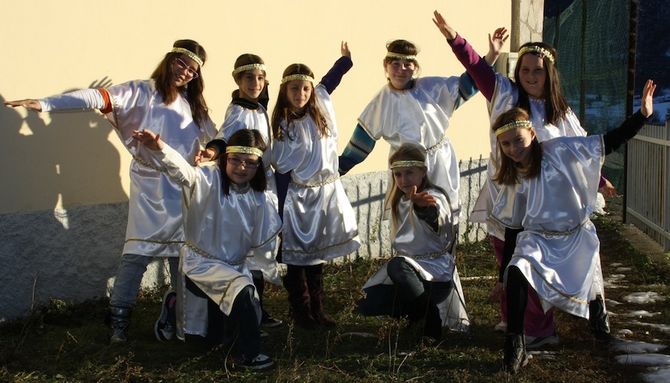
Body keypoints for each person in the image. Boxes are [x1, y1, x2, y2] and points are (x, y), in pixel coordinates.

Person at [4, 39, 217, 343]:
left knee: (181, 259)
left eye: (193, 70)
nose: (185, 72)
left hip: (183, 187)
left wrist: (211, 152)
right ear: (170, 60)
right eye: (182, 63)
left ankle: (179, 319)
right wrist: (46, 103)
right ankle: (119, 322)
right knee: (135, 254)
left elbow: (217, 138)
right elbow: (96, 97)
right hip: (149, 187)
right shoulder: (140, 91)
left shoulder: (193, 105)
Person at [432, 10, 617, 346]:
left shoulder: (561, 112)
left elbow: (581, 149)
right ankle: (512, 319)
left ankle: (540, 331)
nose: (531, 75)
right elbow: (478, 68)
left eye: (538, 70)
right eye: (526, 69)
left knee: (535, 265)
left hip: (550, 205)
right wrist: (454, 39)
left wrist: (599, 178)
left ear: (549, 74)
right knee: (508, 258)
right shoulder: (505, 94)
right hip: (509, 195)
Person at [480, 79, 655, 373]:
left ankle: (601, 331)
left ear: (532, 133)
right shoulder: (513, 175)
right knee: (516, 271)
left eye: (518, 140)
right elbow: (513, 228)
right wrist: (502, 277)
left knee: (592, 285)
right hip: (538, 238)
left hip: (574, 235)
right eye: (506, 144)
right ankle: (515, 349)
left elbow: (608, 141)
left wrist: (642, 116)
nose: (512, 148)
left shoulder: (561, 149)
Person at [133, 128, 281, 370]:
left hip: (234, 267)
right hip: (202, 263)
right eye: (235, 160)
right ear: (225, 158)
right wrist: (159, 147)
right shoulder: (205, 179)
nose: (242, 168)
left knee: (218, 334)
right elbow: (180, 171)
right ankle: (249, 356)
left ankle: (176, 306)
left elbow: (262, 238)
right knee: (242, 293)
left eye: (250, 163)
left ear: (258, 166)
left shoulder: (258, 196)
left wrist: (263, 267)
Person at [271, 42, 360, 329]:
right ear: (285, 91)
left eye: (304, 89)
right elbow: (282, 171)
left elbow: (329, 81)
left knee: (317, 256)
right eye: (294, 89)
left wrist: (344, 62)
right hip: (298, 198)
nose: (301, 94)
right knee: (297, 259)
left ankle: (318, 310)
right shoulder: (283, 126)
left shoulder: (319, 106)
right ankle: (301, 312)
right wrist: (281, 214)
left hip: (325, 193)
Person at [197, 53, 282, 330]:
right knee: (251, 250)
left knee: (261, 247)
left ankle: (256, 308)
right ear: (237, 80)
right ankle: (250, 309)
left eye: (260, 78)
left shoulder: (257, 107)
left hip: (263, 182)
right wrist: (213, 150)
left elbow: (265, 98)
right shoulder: (238, 110)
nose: (256, 83)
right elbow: (226, 135)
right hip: (249, 186)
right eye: (249, 78)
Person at [357, 144, 466, 340]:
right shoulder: (400, 201)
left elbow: (435, 218)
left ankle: (431, 321)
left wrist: (424, 209)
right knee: (367, 303)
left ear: (423, 172)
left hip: (435, 276)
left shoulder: (433, 197)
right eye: (398, 175)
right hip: (413, 274)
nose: (403, 179)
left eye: (409, 173)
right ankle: (418, 317)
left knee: (397, 265)